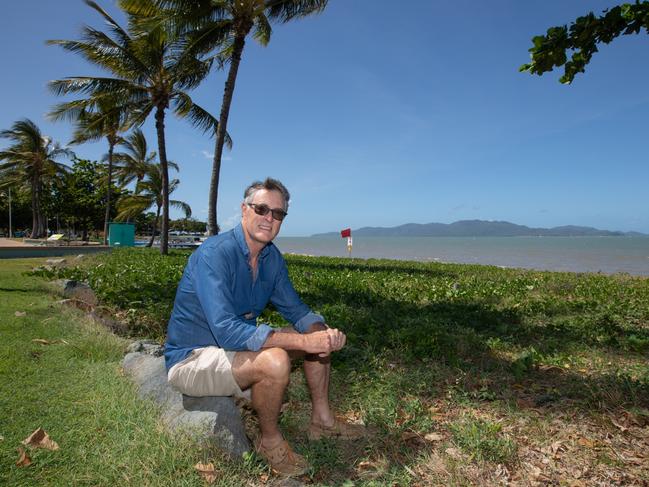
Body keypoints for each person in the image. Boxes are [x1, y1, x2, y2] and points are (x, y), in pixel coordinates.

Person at [165, 178, 364, 476]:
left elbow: (296, 310)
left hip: (232, 353)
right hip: (192, 358)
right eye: (262, 209)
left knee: (313, 334)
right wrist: (302, 343)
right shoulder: (214, 254)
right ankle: (269, 441)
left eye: (278, 213)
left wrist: (322, 331)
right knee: (276, 359)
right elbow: (226, 331)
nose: (269, 218)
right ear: (244, 210)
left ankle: (322, 420)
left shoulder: (271, 259)